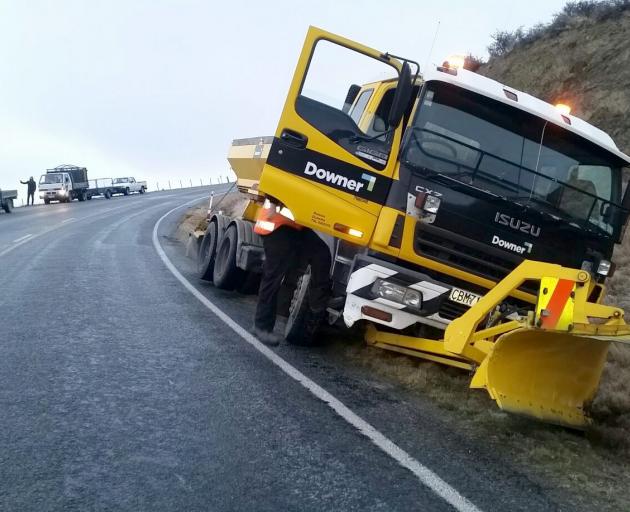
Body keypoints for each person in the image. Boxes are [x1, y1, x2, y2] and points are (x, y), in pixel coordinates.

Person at [252, 198, 331, 346]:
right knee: (273, 278)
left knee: (322, 253)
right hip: (276, 225)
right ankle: (261, 328)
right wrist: (273, 206)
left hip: (294, 226)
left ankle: (316, 304)